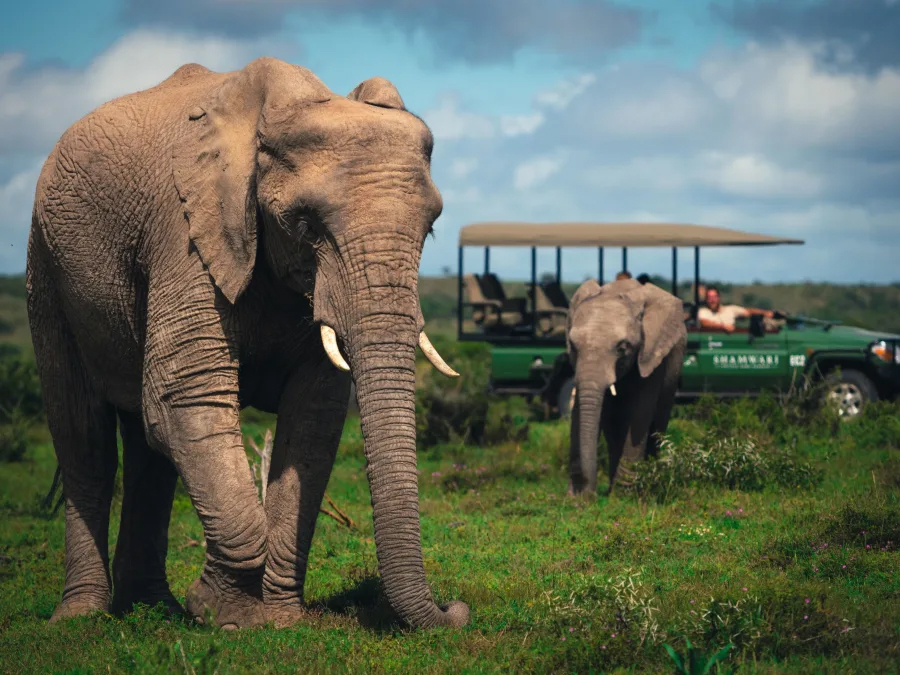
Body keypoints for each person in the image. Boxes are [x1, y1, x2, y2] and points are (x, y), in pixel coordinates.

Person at [697, 285, 774, 332]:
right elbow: (704, 323)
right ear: (706, 299)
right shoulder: (703, 311)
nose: (712, 300)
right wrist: (723, 326)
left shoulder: (730, 309)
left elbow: (748, 312)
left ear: (719, 298)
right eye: (709, 297)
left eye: (714, 297)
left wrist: (765, 313)